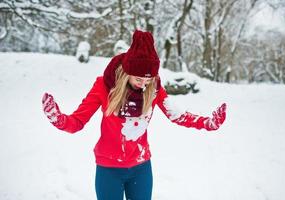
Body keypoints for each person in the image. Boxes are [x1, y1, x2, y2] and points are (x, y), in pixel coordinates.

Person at [42, 30, 227, 200]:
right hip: (109, 169)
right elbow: (77, 121)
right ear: (127, 72)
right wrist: (59, 119)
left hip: (141, 167)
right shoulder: (104, 86)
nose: (144, 84)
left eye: (148, 79)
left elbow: (176, 115)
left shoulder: (153, 89)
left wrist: (207, 122)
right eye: (139, 79)